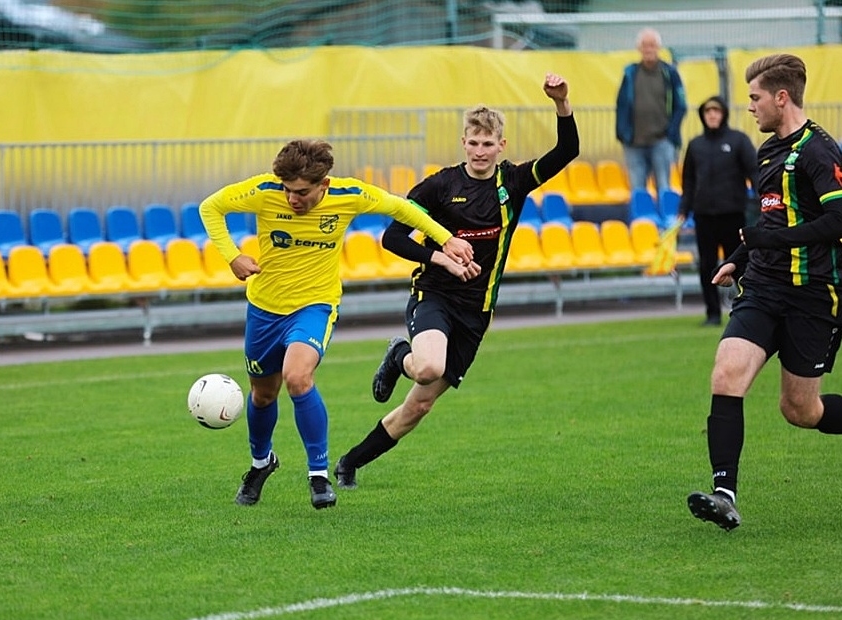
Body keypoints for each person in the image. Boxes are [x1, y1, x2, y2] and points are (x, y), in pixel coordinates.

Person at [198, 139, 474, 510]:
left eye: (301, 192)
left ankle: (318, 475)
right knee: (263, 394)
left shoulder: (349, 194)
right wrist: (232, 257)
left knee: (297, 378)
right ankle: (261, 464)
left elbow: (403, 208)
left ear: (323, 185)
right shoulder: (264, 191)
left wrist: (446, 240)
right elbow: (210, 207)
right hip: (264, 308)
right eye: (287, 190)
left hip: (315, 305)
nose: (292, 198)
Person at [333, 74, 579, 489]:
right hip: (435, 294)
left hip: (476, 312)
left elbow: (568, 150)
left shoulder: (513, 183)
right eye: (473, 142)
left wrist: (562, 102)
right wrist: (441, 259)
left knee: (419, 406)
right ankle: (400, 357)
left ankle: (349, 463)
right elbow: (392, 237)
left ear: (501, 146)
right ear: (463, 143)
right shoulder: (440, 186)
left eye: (488, 144)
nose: (480, 151)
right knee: (428, 367)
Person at [687, 53, 842, 531]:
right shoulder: (768, 151)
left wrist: (766, 241)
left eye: (754, 98)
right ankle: (724, 494)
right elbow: (771, 222)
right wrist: (740, 258)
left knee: (800, 410)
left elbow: (837, 221)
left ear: (781, 97)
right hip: (765, 287)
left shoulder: (819, 151)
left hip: (814, 294)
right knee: (727, 372)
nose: (748, 107)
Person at [678, 96, 759, 326]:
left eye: (716, 111)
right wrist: (684, 209)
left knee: (740, 264)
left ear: (723, 114)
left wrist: (763, 198)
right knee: (707, 265)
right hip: (704, 216)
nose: (712, 115)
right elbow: (689, 181)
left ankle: (748, 307)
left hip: (733, 214)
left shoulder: (738, 140)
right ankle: (712, 313)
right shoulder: (695, 145)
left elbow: (754, 172)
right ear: (703, 115)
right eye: (708, 112)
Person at [615, 27, 687, 193]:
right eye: (645, 45)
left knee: (663, 188)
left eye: (652, 45)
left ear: (658, 48)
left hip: (662, 141)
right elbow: (621, 104)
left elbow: (681, 105)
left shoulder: (670, 73)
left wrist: (671, 133)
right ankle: (641, 219)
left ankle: (665, 218)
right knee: (637, 191)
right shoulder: (630, 73)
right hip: (633, 143)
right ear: (639, 48)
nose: (649, 49)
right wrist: (622, 133)